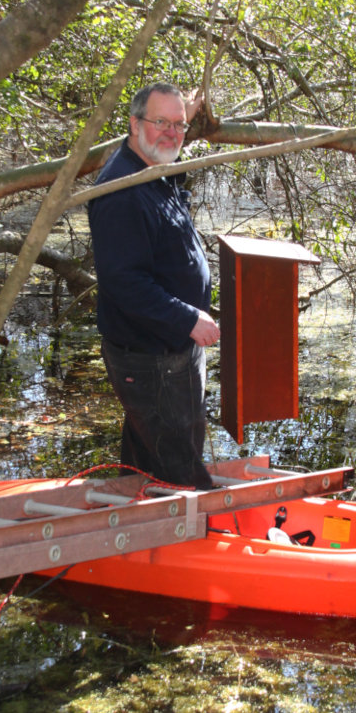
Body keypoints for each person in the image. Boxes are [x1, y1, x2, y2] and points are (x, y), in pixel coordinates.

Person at [88, 81, 220, 488]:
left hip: (172, 350)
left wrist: (184, 113)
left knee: (148, 457)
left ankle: (131, 528)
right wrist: (187, 320)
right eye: (160, 122)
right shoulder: (121, 192)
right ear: (133, 124)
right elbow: (124, 282)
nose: (172, 132)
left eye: (179, 124)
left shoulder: (154, 166)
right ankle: (181, 538)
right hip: (151, 357)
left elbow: (171, 128)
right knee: (178, 469)